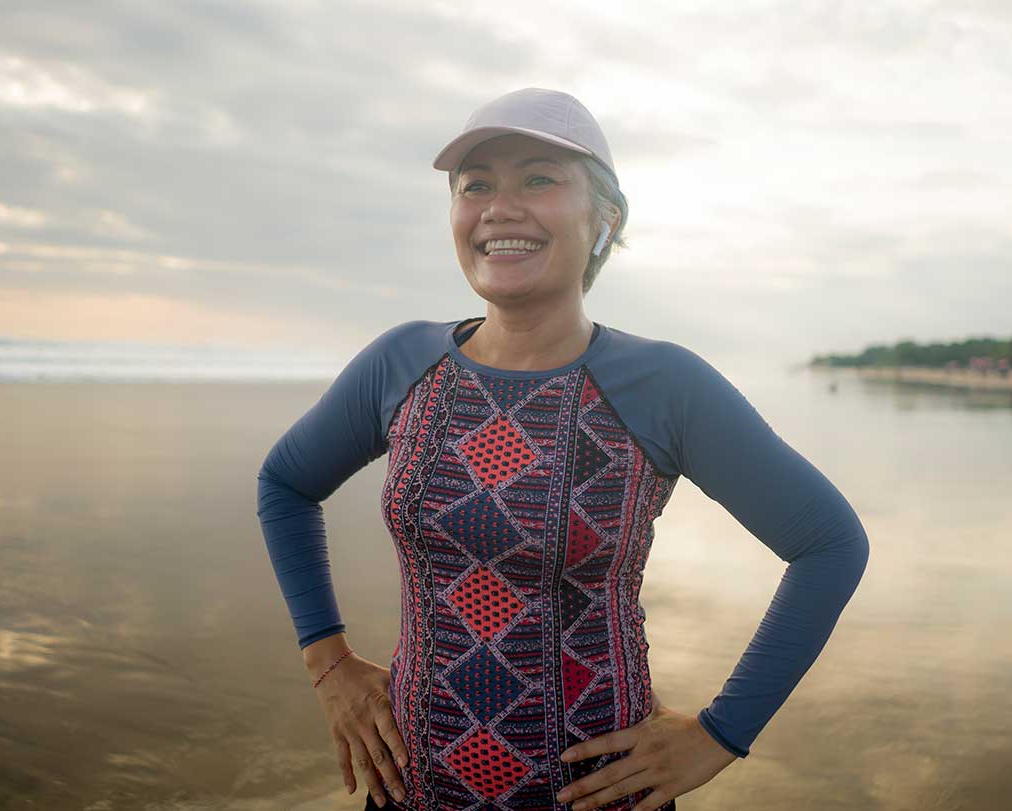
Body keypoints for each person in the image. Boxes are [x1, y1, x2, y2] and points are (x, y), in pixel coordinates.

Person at [256, 87, 870, 811]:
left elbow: (829, 543)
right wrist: (327, 660)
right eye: (475, 185)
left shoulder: (661, 384)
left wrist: (720, 733)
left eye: (539, 178)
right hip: (411, 792)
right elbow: (285, 483)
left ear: (605, 216)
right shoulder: (403, 362)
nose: (499, 206)